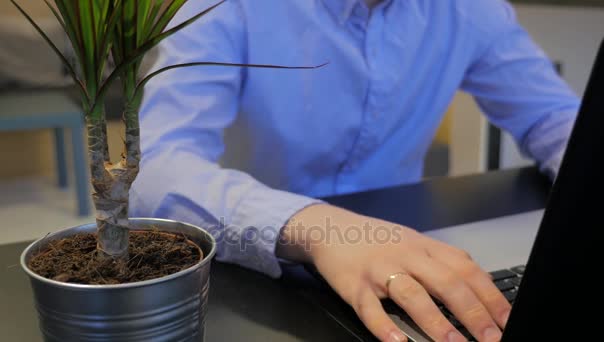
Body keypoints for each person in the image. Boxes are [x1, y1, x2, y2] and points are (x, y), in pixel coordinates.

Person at [129, 0, 580, 341]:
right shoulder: (229, 8)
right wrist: (318, 227)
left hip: (407, 245)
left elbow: (554, 118)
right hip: (251, 266)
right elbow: (152, 167)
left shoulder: (469, 9)